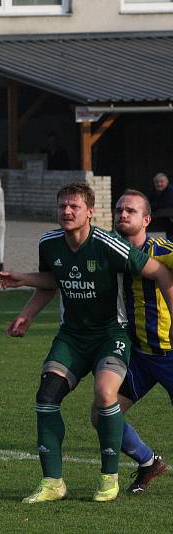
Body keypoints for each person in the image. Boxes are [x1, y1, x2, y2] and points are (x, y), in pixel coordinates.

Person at [0, 182, 173, 503]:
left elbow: (159, 270)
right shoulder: (50, 243)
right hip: (85, 340)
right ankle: (55, 482)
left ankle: (109, 478)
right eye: (62, 205)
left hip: (122, 338)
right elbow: (54, 279)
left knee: (105, 397)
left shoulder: (118, 244)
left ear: (89, 212)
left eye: (74, 206)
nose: (66, 211)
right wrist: (26, 303)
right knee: (53, 398)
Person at [88, 190, 172, 494]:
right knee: (101, 413)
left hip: (170, 353)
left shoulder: (163, 251)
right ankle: (149, 462)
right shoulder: (111, 252)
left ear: (146, 219)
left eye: (131, 211)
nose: (123, 214)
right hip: (140, 356)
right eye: (119, 210)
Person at [149, 173, 173, 239]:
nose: (159, 184)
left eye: (161, 182)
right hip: (161, 221)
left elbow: (167, 208)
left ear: (167, 182)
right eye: (157, 182)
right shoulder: (153, 192)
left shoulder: (170, 191)